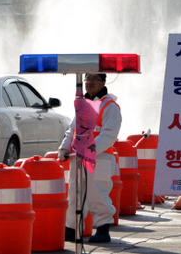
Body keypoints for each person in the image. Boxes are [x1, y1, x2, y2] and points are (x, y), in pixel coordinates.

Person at [58, 73, 121, 243]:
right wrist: (64, 147)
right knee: (74, 193)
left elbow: (109, 135)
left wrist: (88, 150)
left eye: (94, 79)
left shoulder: (110, 106)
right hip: (78, 157)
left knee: (97, 194)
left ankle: (103, 230)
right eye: (88, 79)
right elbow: (72, 130)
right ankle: (71, 229)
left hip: (99, 159)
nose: (90, 83)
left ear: (103, 82)